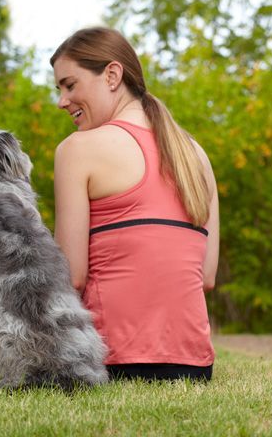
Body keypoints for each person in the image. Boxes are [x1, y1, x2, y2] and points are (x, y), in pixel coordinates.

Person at [50, 27, 219, 381]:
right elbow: (205, 277)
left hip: (110, 361)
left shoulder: (77, 150)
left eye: (70, 85)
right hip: (195, 366)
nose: (62, 101)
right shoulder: (196, 155)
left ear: (112, 75)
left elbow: (71, 276)